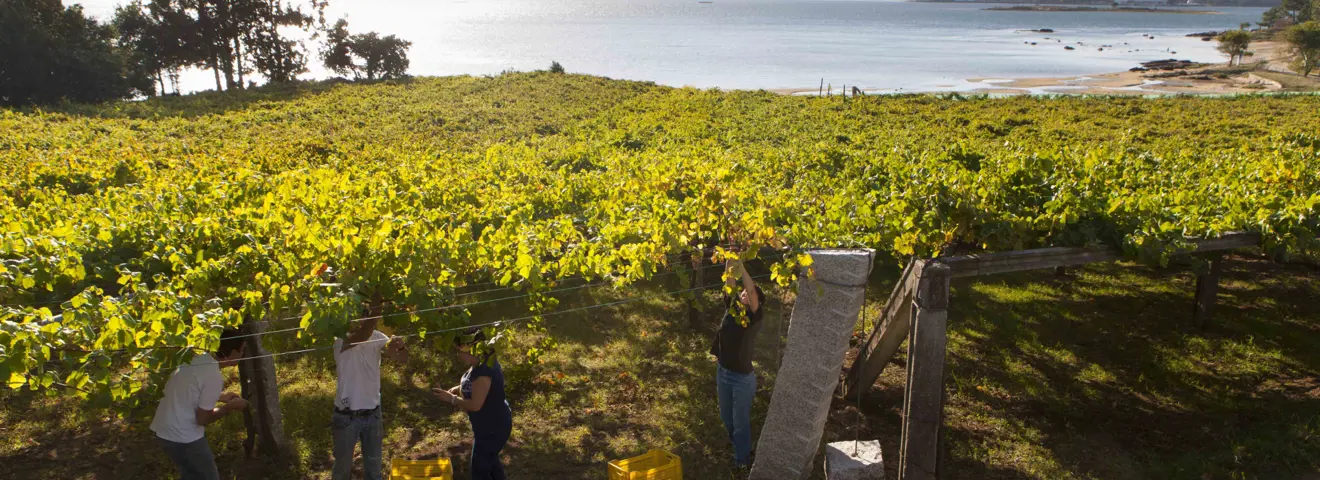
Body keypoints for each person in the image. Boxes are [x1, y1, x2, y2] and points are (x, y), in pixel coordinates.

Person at [150, 328, 249, 480]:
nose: (243, 355)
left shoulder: (196, 359)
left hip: (164, 431)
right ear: (234, 352)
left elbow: (189, 391)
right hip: (183, 437)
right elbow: (202, 419)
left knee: (190, 474)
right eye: (242, 350)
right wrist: (228, 407)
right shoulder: (213, 377)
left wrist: (221, 397)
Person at [332, 306, 409, 480]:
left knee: (374, 470)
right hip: (346, 417)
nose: (360, 320)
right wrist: (378, 304)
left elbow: (402, 359)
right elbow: (363, 334)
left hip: (373, 414)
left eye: (364, 315)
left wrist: (401, 347)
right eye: (357, 316)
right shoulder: (341, 339)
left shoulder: (377, 337)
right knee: (342, 471)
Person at [433, 328, 513, 480]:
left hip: (492, 429)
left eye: (459, 351)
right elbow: (473, 385)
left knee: (480, 471)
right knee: (491, 462)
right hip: (485, 427)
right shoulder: (479, 364)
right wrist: (458, 389)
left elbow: (475, 405)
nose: (458, 355)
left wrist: (451, 399)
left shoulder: (483, 372)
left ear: (473, 350)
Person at [708, 257, 765, 473]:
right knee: (726, 417)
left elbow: (751, 291)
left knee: (740, 421)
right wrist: (730, 258)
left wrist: (743, 269)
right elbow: (729, 281)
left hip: (742, 379)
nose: (744, 293)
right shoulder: (733, 307)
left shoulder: (754, 317)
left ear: (756, 301)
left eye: (750, 295)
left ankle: (742, 458)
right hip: (723, 371)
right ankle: (740, 445)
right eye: (742, 292)